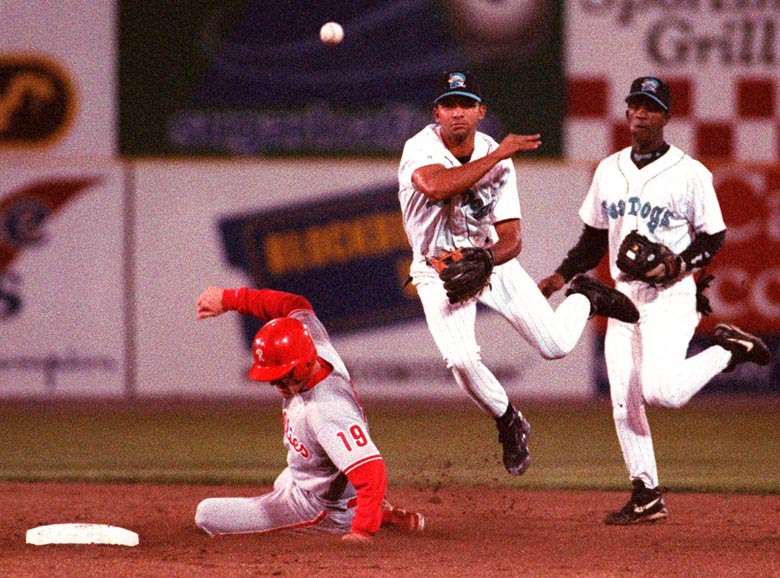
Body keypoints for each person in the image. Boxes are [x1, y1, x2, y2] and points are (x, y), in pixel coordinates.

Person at [537, 76, 771, 524]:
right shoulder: (609, 169)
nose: (641, 113)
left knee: (661, 391)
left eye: (650, 106)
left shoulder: (690, 173)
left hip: (672, 296)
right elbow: (593, 239)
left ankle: (728, 350)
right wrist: (560, 275)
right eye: (635, 105)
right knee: (624, 400)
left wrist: (680, 264)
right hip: (623, 297)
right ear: (626, 113)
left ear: (665, 116)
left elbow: (715, 235)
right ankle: (646, 494)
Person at [397, 70, 640, 477]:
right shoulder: (420, 148)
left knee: (557, 345)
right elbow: (436, 187)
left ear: (480, 112)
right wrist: (496, 156)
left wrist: (489, 260)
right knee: (459, 359)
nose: (458, 113)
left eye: (466, 104)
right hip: (437, 271)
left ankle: (585, 295)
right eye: (449, 105)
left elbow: (512, 236)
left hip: (489, 263)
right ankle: (509, 420)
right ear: (436, 113)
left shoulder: (499, 159)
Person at [193, 286, 424, 542]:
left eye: (281, 376)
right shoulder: (315, 345)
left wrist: (362, 531)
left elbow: (371, 470)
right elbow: (294, 303)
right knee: (285, 478)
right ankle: (369, 509)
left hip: (322, 508)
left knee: (206, 514)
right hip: (318, 482)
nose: (276, 384)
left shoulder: (326, 409)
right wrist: (230, 299)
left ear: (303, 362)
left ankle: (363, 517)